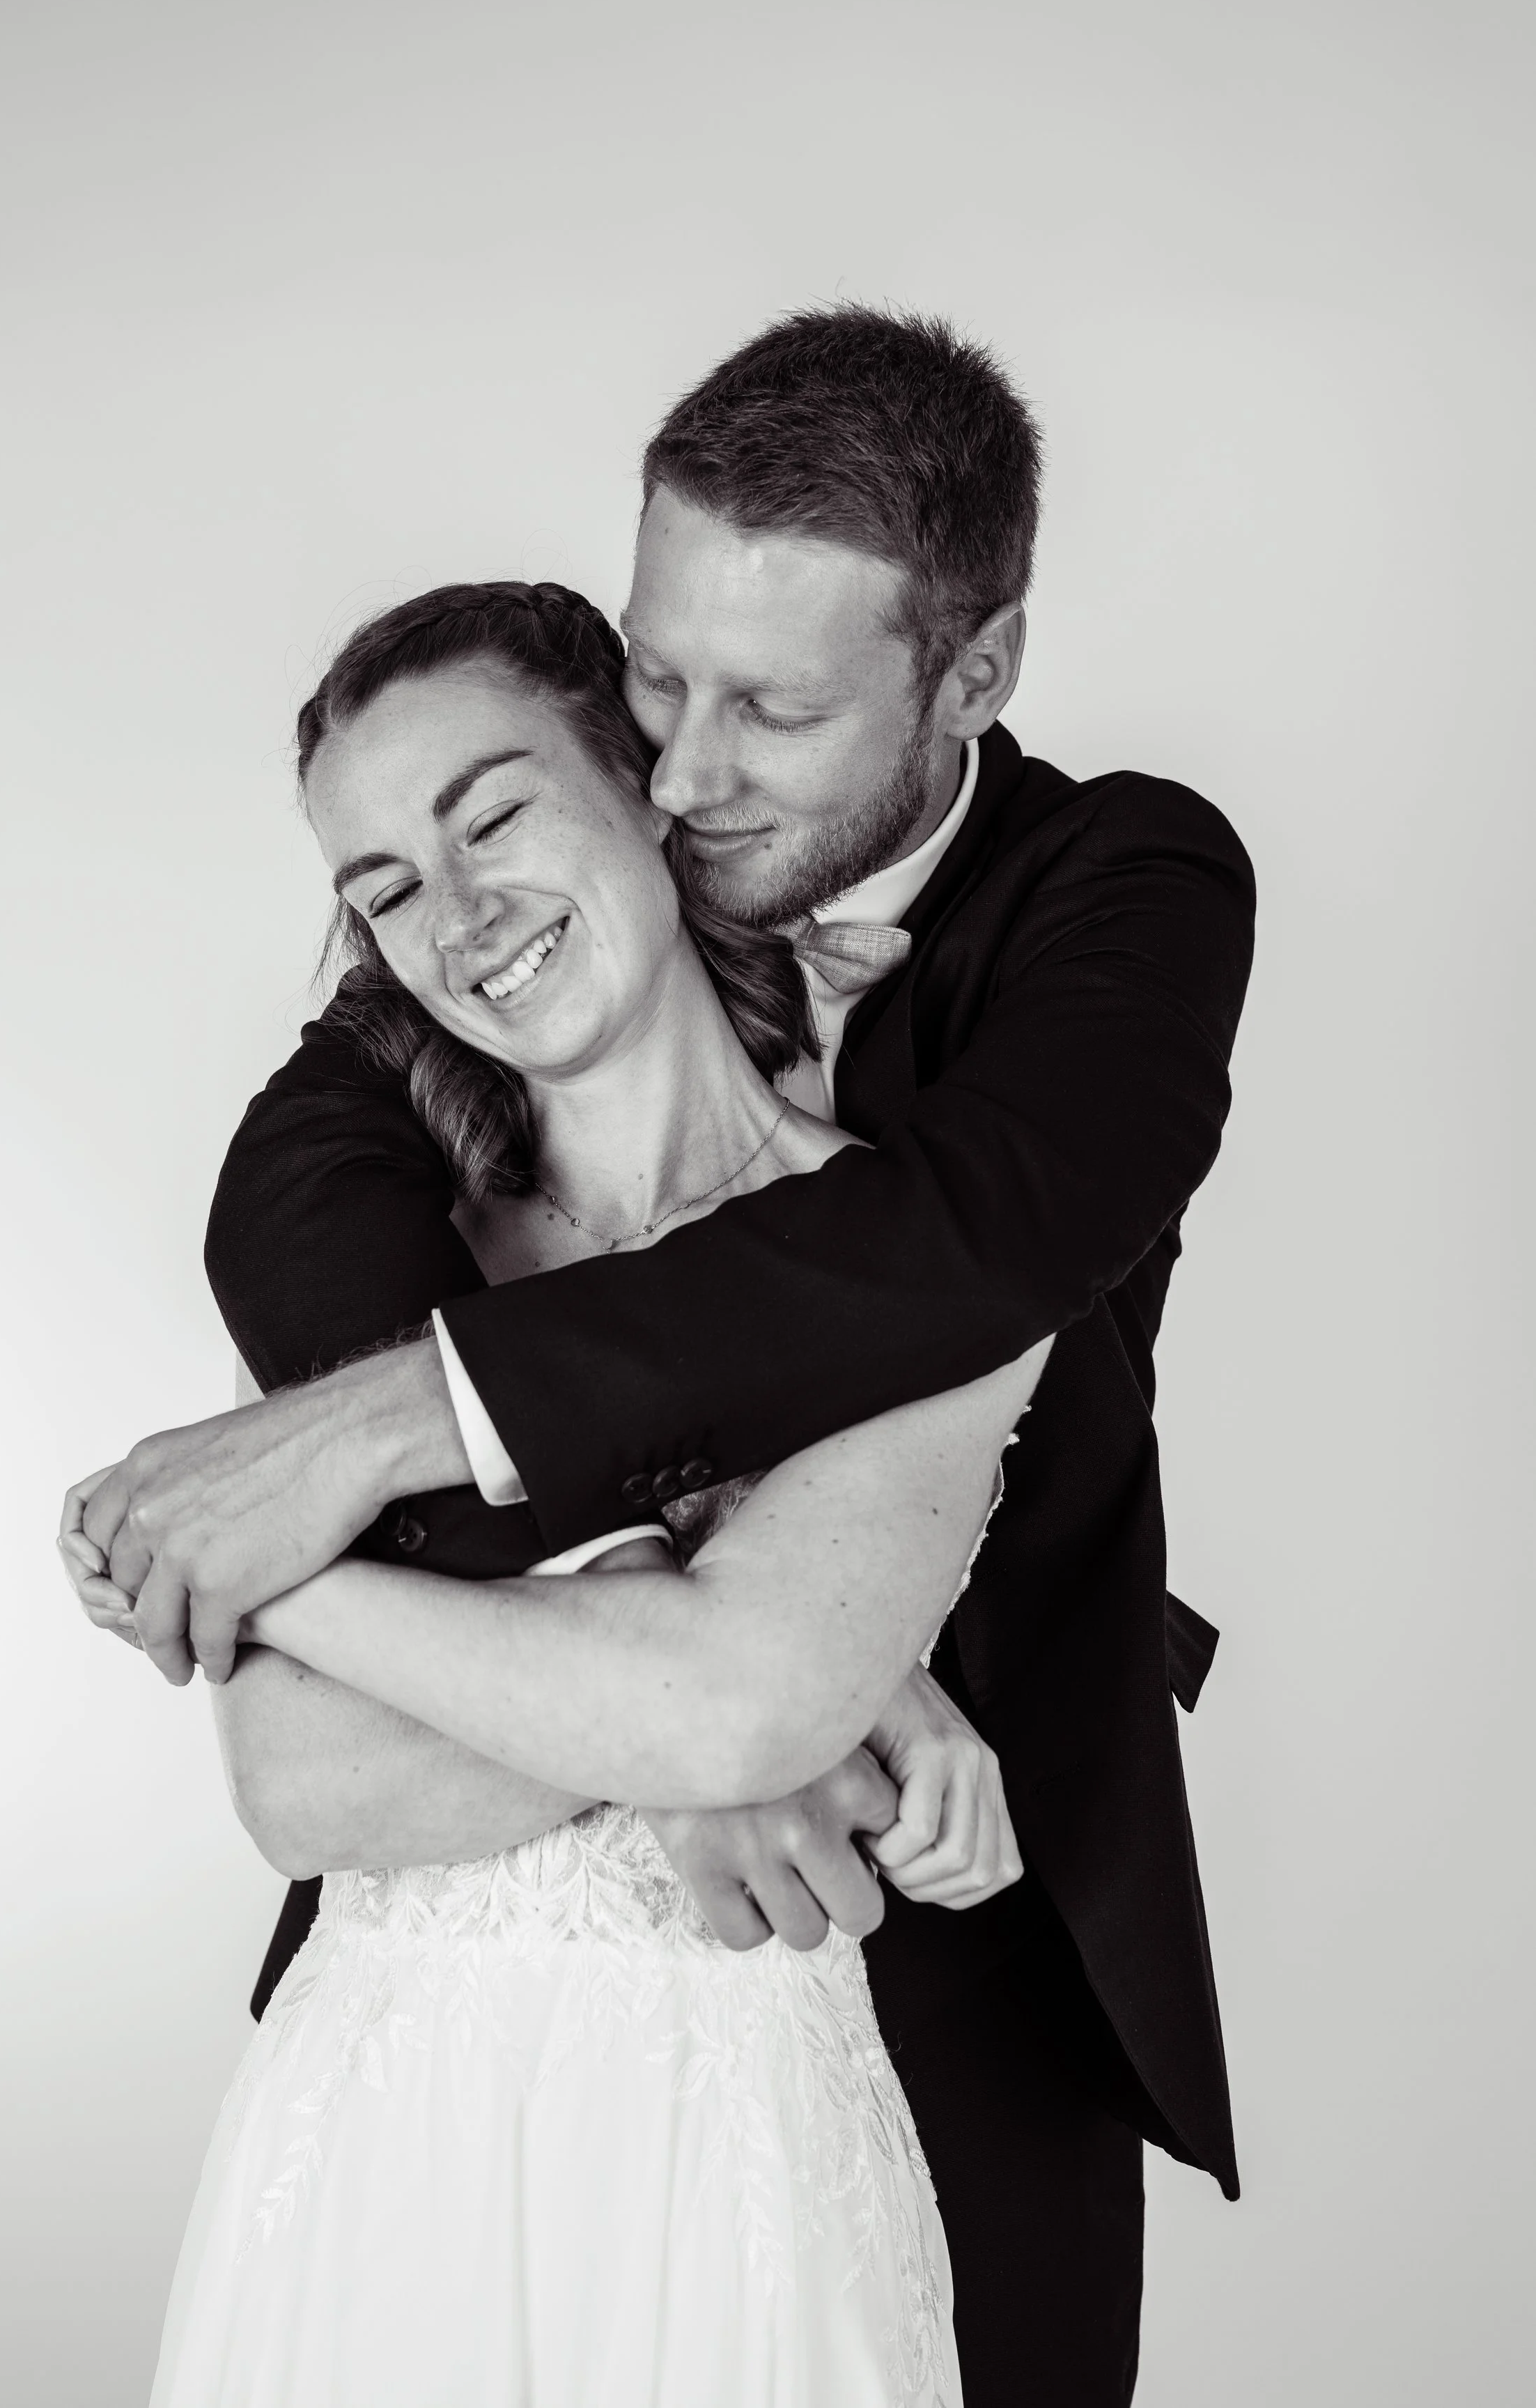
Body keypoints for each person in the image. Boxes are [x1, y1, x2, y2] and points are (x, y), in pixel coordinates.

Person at [77, 306, 1255, 2407]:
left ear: (967, 676)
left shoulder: (1116, 890)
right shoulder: (463, 990)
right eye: (651, 679)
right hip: (445, 2044)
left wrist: (351, 1485)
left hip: (968, 1878)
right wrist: (642, 1620)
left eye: (770, 709)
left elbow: (973, 1236)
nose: (686, 769)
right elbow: (292, 1188)